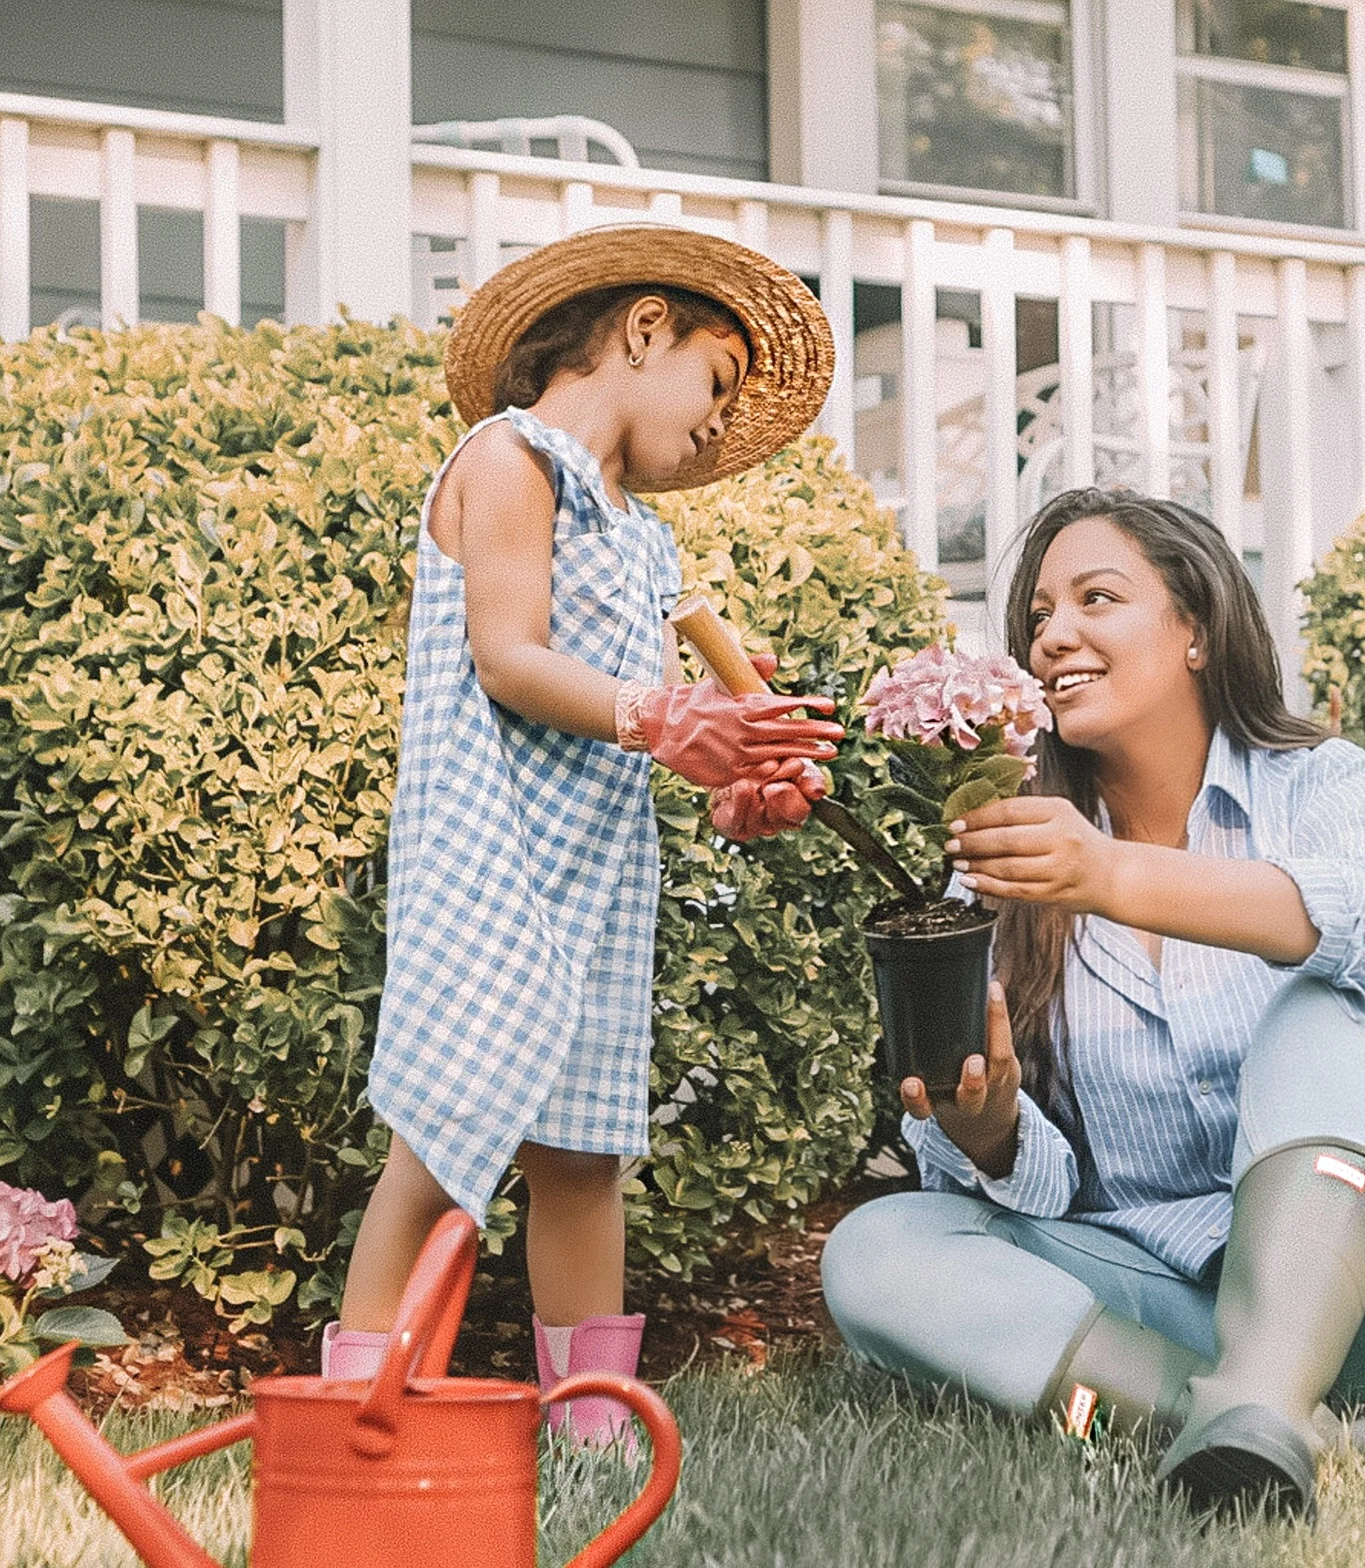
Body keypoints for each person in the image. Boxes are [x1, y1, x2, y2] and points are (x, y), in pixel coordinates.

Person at [820, 487, 1365, 1520]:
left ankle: (1263, 1401)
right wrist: (989, 1131)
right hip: (1169, 1316)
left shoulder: (1313, 783)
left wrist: (1112, 874)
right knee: (876, 1252)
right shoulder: (1009, 852)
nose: (1053, 636)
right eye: (1038, 614)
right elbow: (1023, 1183)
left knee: (1325, 1005)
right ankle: (1278, 1424)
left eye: (1096, 598)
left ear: (1197, 629)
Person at [326, 227, 845, 1446]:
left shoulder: (645, 536)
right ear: (645, 328)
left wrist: (734, 777)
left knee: (580, 1153)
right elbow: (508, 657)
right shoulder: (511, 460)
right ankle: (352, 1431)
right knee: (442, 1136)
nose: (720, 422)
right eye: (718, 381)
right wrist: (668, 718)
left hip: (595, 881)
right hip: (488, 858)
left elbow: (647, 717)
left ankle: (592, 1434)